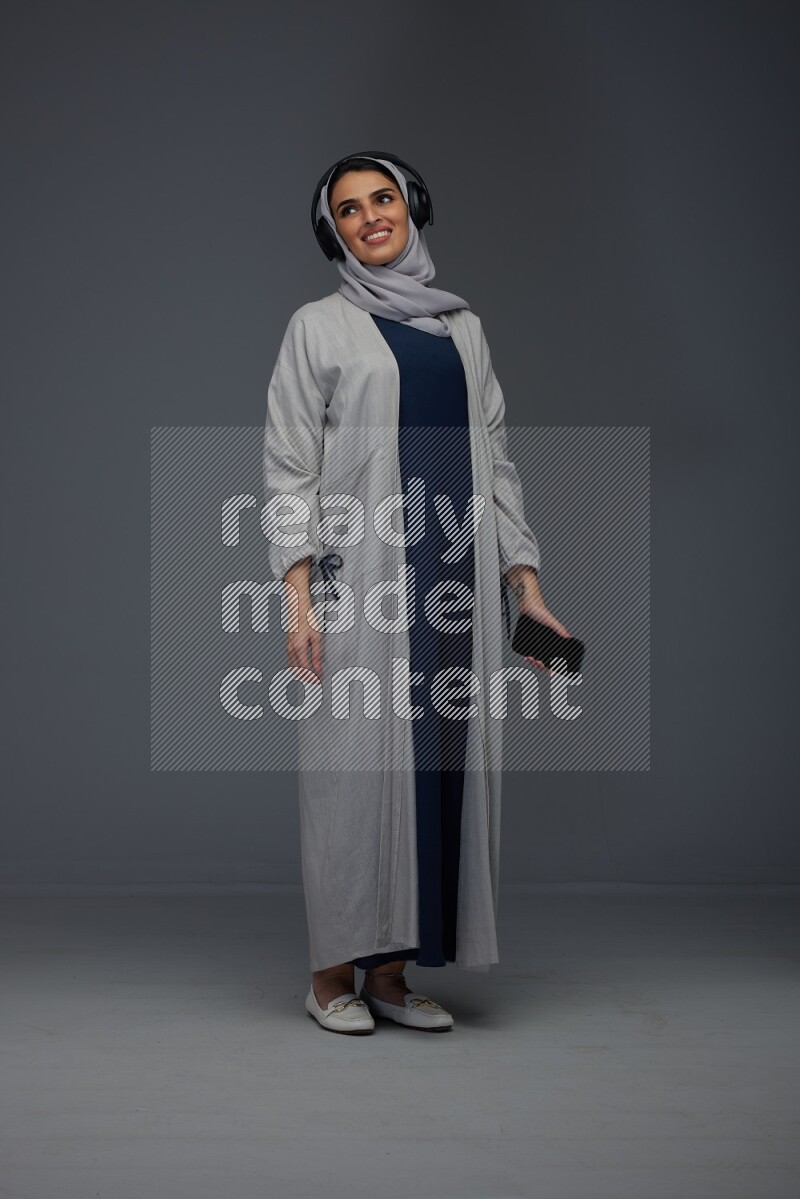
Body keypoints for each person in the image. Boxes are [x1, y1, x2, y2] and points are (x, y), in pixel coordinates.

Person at [262, 151, 571, 1034]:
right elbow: (289, 469)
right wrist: (296, 598)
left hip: (458, 579)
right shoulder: (317, 327)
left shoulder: (462, 327)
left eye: (384, 199)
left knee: (436, 765)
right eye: (351, 209)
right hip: (363, 580)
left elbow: (498, 457)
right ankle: (330, 977)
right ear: (336, 231)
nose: (371, 218)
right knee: (353, 774)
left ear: (413, 207)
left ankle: (391, 977)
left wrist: (527, 584)